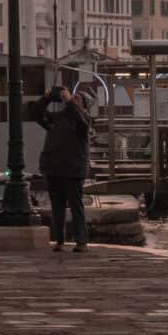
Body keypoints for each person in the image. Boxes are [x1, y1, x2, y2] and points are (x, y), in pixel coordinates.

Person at [35, 83, 95, 252]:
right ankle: (59, 241)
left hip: (73, 169)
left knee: (76, 206)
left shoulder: (84, 120)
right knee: (57, 207)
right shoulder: (57, 118)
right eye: (71, 97)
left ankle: (81, 241)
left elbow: (79, 118)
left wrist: (69, 102)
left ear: (84, 105)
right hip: (53, 167)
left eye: (77, 99)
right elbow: (36, 114)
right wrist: (46, 98)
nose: (71, 100)